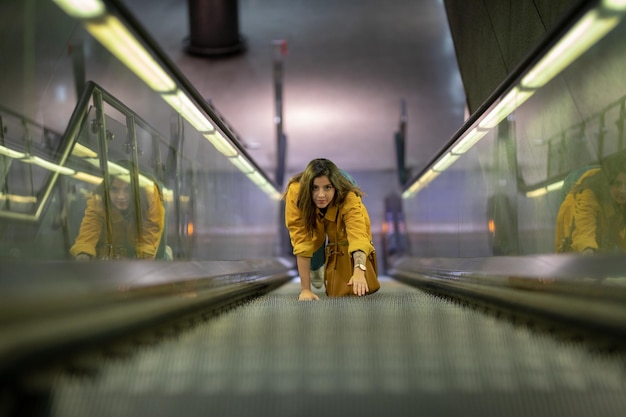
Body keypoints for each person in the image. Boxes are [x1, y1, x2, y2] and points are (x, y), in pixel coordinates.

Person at [283, 158, 380, 300]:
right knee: (314, 236)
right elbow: (301, 238)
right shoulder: (297, 193)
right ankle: (315, 267)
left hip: (340, 207)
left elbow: (358, 235)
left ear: (336, 188)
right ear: (307, 186)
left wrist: (359, 271)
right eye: (314, 187)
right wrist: (305, 289)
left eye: (327, 187)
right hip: (311, 215)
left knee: (342, 239)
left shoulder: (349, 197)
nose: (321, 195)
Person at [70, 171, 165, 260]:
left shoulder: (149, 196)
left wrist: (140, 266)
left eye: (127, 190)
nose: (121, 196)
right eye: (114, 190)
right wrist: (83, 256)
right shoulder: (99, 201)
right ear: (107, 191)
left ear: (136, 191)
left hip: (145, 255)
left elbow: (150, 236)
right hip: (113, 257)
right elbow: (88, 233)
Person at [555, 157, 626, 254]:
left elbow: (620, 232)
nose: (623, 190)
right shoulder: (588, 195)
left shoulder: (619, 201)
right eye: (617, 184)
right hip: (575, 242)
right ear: (607, 184)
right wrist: (587, 252)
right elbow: (583, 230)